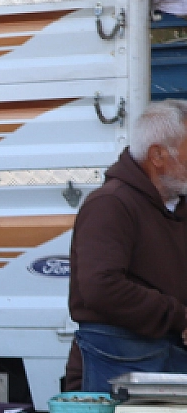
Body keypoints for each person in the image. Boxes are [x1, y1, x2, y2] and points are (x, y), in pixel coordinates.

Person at [69, 99, 187, 394]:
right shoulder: (111, 204)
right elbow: (102, 287)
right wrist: (179, 316)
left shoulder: (178, 206)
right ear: (158, 155)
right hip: (117, 359)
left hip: (168, 355)